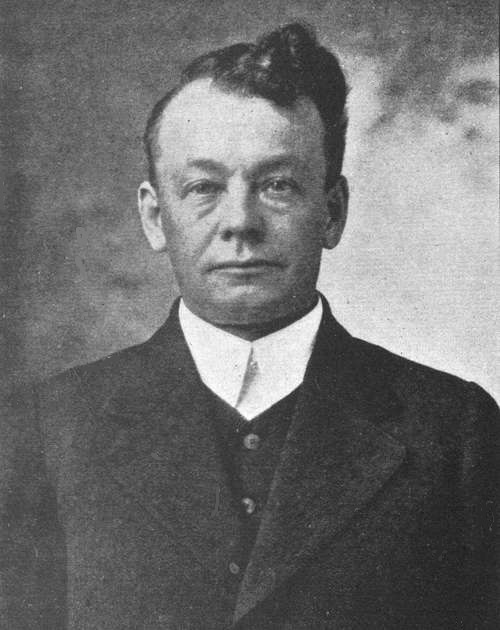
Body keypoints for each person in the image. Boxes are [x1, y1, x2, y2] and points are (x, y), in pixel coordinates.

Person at [1, 22, 498, 630]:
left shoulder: (455, 432)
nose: (240, 221)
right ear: (155, 218)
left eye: (277, 185)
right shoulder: (47, 431)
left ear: (333, 212)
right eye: (204, 187)